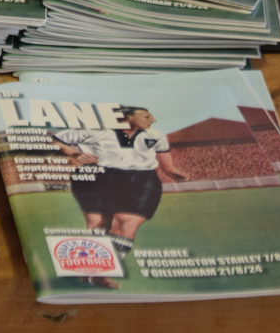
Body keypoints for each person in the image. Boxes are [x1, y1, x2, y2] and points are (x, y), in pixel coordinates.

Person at [52, 106, 187, 289]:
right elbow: (53, 139)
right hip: (96, 176)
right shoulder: (95, 130)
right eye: (146, 116)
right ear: (126, 118)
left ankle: (99, 273)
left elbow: (165, 160)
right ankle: (92, 269)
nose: (152, 120)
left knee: (125, 223)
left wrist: (171, 171)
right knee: (98, 227)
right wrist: (72, 152)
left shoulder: (155, 135)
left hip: (141, 179)